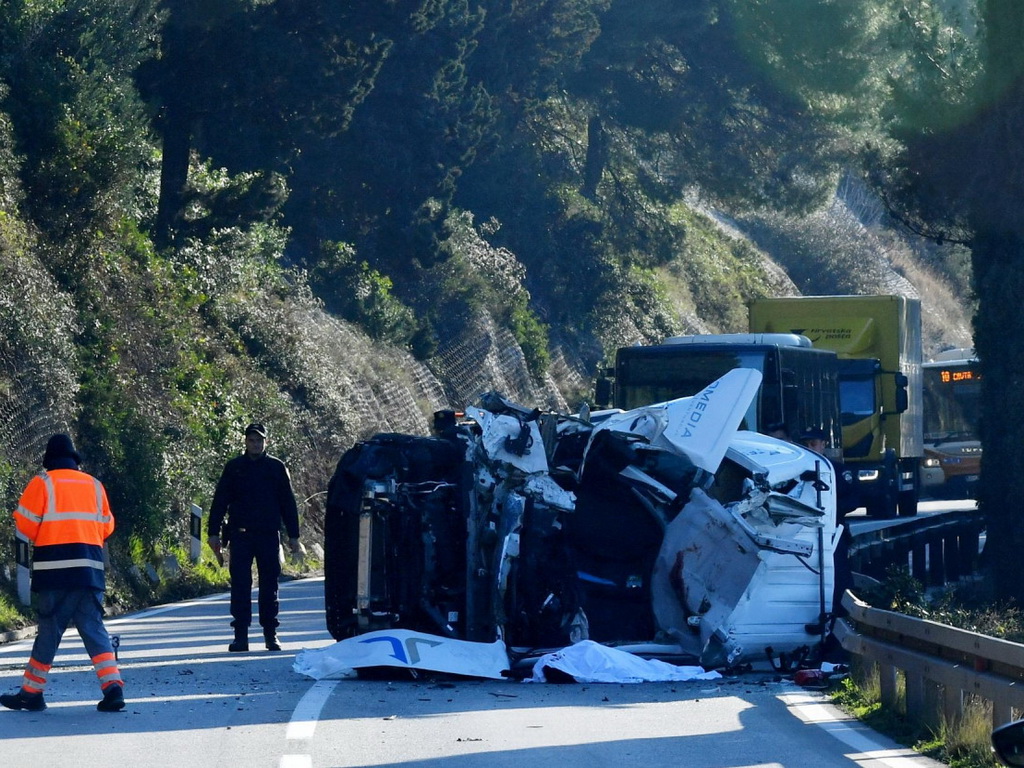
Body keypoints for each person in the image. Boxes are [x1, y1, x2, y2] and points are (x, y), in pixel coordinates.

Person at [1, 434, 126, 713]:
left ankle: (31, 693)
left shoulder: (42, 484)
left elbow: (25, 527)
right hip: (89, 571)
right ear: (74, 459)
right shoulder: (94, 485)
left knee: (49, 629)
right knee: (93, 628)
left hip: (54, 572)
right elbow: (107, 528)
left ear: (48, 461)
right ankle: (113, 687)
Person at [207, 423, 302, 652]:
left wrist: (294, 536)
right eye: (251, 440)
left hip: (268, 536)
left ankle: (271, 635)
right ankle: (241, 636)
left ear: (265, 442)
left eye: (259, 440)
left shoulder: (276, 468)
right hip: (240, 536)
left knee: (269, 587)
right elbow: (220, 501)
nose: (255, 444)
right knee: (240, 586)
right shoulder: (234, 468)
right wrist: (213, 533)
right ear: (245, 442)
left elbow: (288, 503)